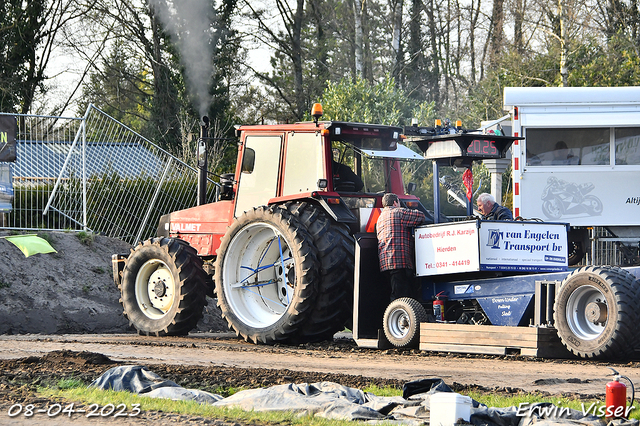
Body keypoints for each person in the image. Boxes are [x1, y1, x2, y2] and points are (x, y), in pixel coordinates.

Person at [376, 193, 426, 302]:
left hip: (385, 263)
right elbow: (420, 216)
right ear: (395, 202)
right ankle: (398, 316)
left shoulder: (379, 219)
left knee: (397, 290)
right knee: (401, 296)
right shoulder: (398, 212)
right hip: (399, 261)